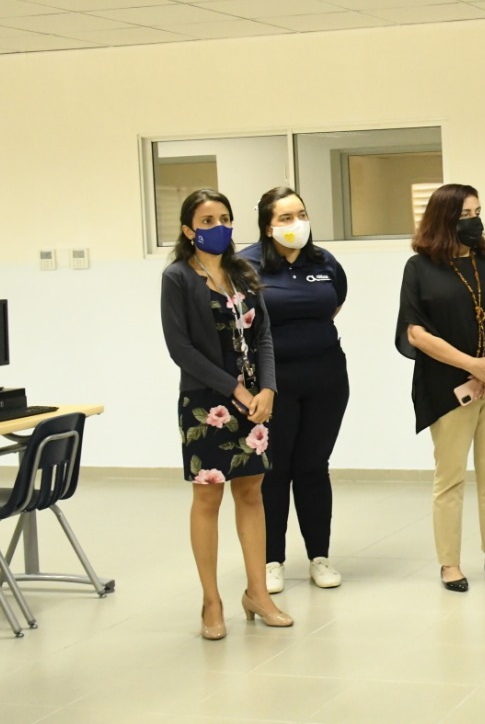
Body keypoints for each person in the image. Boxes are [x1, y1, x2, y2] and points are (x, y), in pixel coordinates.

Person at [160, 188, 293, 640]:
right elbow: (181, 349)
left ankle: (258, 593)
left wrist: (268, 388)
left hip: (253, 403)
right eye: (207, 221)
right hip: (208, 404)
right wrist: (234, 388)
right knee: (208, 497)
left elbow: (264, 336)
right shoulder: (178, 277)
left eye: (224, 218)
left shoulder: (244, 273)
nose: (218, 227)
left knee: (252, 493)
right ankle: (211, 601)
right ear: (188, 229)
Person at [396, 184, 485, 592]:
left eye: (477, 212)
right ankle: (450, 563)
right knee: (450, 476)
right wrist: (473, 366)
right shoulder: (419, 268)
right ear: (444, 219)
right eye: (465, 215)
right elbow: (416, 333)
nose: (474, 221)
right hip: (448, 388)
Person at [240, 187, 348, 593]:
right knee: (275, 469)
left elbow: (333, 304)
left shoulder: (324, 262)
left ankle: (319, 556)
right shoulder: (246, 265)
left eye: (301, 214)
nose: (296, 223)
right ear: (267, 225)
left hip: (326, 377)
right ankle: (272, 560)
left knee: (314, 466)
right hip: (273, 382)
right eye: (285, 217)